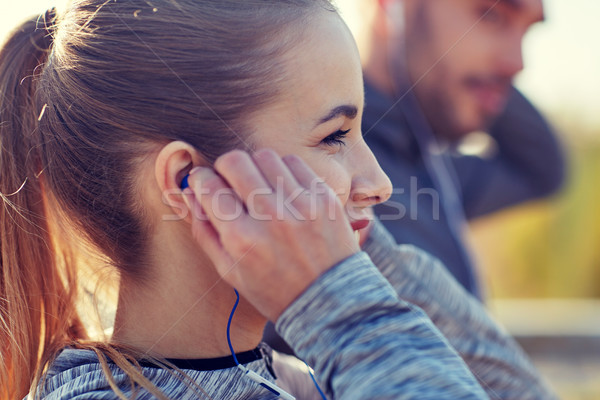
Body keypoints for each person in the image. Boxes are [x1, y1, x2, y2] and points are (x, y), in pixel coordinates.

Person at [0, 1, 554, 399]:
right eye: (335, 136)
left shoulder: (304, 376)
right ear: (191, 182)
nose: (382, 183)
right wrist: (339, 302)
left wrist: (354, 264)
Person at [339, 0, 566, 299]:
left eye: (525, 30)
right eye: (492, 16)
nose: (517, 63)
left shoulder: (437, 173)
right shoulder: (314, 163)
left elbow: (540, 170)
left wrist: (489, 86)